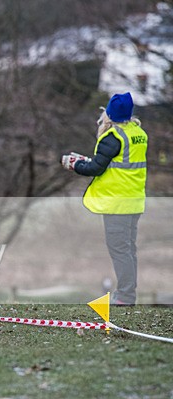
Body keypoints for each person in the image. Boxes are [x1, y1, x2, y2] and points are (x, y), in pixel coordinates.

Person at [61, 92, 148, 305]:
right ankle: (128, 294)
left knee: (119, 250)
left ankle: (125, 297)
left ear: (108, 113)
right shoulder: (137, 133)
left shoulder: (112, 137)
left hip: (116, 203)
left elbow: (95, 168)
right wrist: (88, 159)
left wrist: (74, 165)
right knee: (128, 249)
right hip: (134, 200)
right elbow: (116, 164)